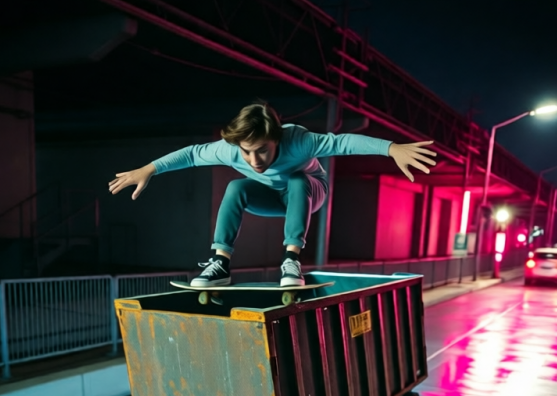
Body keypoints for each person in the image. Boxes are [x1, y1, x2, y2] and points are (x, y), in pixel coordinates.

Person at [108, 102, 436, 287]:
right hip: (269, 199)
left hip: (310, 192)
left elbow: (342, 143)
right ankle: (220, 264)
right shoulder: (231, 150)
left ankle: (291, 262)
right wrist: (149, 169)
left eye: (262, 151)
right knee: (236, 186)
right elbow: (192, 154)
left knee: (296, 179)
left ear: (276, 138)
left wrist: (390, 148)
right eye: (247, 152)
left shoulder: (299, 140)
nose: (254, 160)